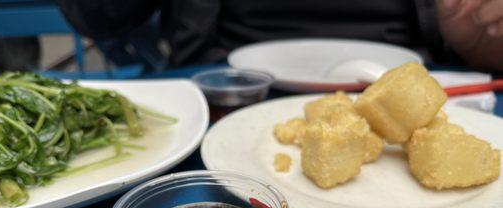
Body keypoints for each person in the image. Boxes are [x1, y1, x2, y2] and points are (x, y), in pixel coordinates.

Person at [56, 0, 503, 72]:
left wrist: (478, 37)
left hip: (423, 89)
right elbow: (95, 17)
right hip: (223, 91)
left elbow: (487, 48)